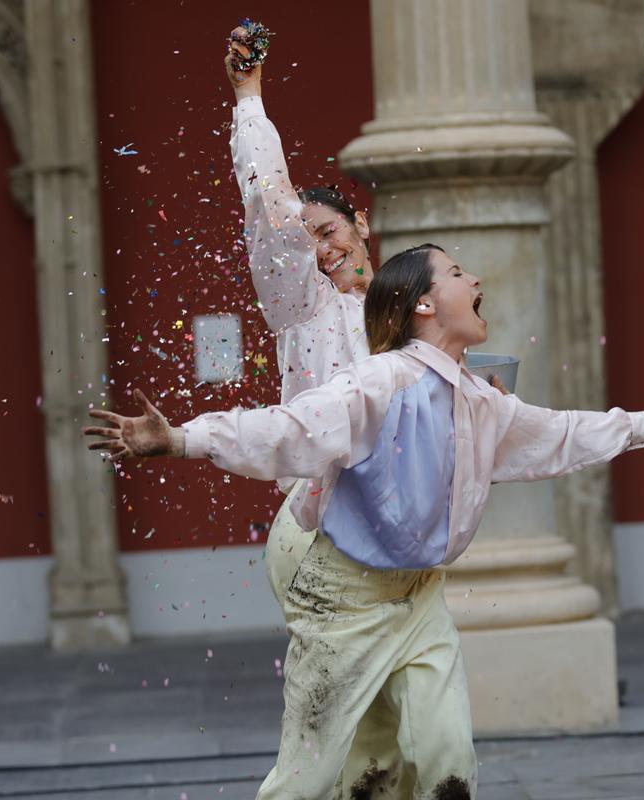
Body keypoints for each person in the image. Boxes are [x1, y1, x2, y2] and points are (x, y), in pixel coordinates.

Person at [84, 243, 644, 798]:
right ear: (422, 304)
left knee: (448, 762)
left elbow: (556, 434)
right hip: (342, 599)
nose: (475, 282)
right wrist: (181, 440)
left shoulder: (480, 399)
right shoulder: (379, 380)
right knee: (306, 781)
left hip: (418, 599)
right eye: (456, 273)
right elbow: (293, 428)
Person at [223, 24, 415, 796]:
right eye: (308, 243)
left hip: (394, 533)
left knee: (394, 726)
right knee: (325, 718)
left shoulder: (411, 315)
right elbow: (270, 204)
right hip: (316, 530)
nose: (321, 249)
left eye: (330, 232)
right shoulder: (300, 304)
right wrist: (248, 98)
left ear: (361, 223)